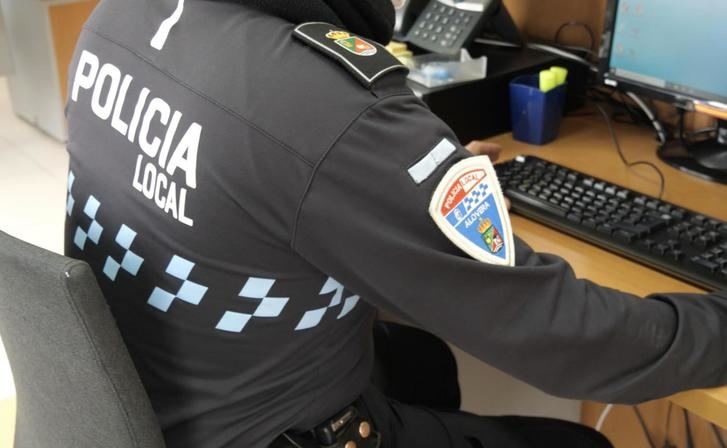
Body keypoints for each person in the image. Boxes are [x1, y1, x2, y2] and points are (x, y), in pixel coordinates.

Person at [63, 0, 727, 447]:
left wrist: (389, 186)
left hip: (151, 402)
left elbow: (241, 173)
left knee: (424, 362)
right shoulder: (329, 104)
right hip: (276, 430)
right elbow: (567, 341)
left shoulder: (115, 17)